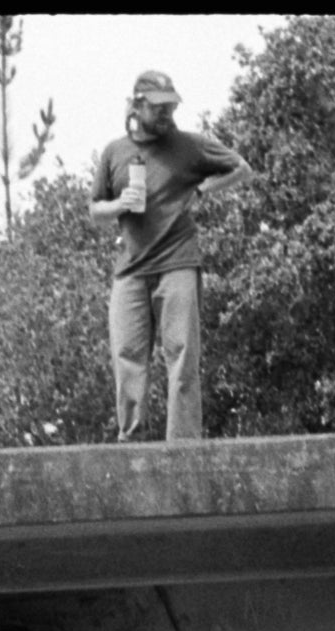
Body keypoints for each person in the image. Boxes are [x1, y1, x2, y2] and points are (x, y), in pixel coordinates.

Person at [88, 70, 252, 442]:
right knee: (127, 356)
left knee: (181, 355)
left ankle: (183, 445)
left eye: (171, 107)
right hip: (130, 269)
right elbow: (95, 210)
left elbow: (242, 169)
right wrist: (118, 205)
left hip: (177, 261)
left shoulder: (189, 146)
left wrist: (203, 191)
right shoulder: (115, 152)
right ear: (137, 105)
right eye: (159, 108)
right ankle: (131, 441)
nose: (166, 115)